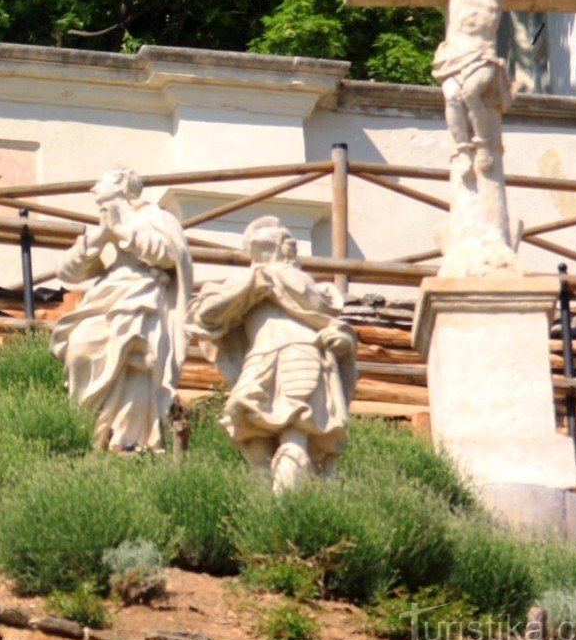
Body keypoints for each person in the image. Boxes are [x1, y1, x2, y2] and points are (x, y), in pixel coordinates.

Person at [188, 217, 359, 490]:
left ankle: (289, 505)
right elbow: (207, 315)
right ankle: (271, 502)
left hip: (302, 354)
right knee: (244, 423)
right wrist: (252, 285)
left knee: (295, 430)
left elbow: (328, 318)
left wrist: (341, 340)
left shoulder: (307, 283)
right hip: (259, 358)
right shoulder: (245, 281)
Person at [48, 166, 193, 451]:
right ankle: (86, 424)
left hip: (143, 298)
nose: (93, 188)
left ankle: (128, 438)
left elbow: (169, 255)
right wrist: (100, 238)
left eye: (99, 182)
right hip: (107, 297)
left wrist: (123, 233)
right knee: (80, 348)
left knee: (133, 363)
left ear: (118, 183)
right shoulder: (103, 226)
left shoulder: (155, 217)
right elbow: (67, 273)